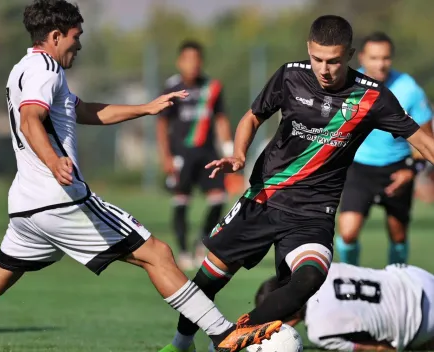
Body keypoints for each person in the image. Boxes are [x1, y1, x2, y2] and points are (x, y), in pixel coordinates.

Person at [0, 2, 283, 352]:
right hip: (60, 200)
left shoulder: (24, 68)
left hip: (27, 206)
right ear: (55, 36)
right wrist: (55, 162)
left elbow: (83, 110)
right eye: (76, 37)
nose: (79, 45)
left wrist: (146, 108)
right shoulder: (47, 69)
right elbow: (30, 120)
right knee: (157, 253)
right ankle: (224, 335)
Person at [159, 14, 434, 352]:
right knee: (209, 278)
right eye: (317, 58)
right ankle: (180, 343)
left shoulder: (372, 97)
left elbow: (423, 141)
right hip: (263, 198)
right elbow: (252, 117)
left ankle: (233, 340)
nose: (324, 68)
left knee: (310, 277)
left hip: (313, 213)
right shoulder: (291, 75)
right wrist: (240, 154)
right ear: (308, 49)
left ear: (349, 55)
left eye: (333, 61)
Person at [337, 32, 433, 266]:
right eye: (374, 57)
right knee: (348, 233)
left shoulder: (409, 89)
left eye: (386, 58)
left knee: (398, 235)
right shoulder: (347, 84)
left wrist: (410, 171)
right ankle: (352, 280)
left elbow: (426, 140)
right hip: (359, 169)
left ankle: (397, 284)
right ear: (362, 57)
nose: (380, 64)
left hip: (398, 169)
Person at [157, 40, 234, 270]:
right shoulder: (173, 87)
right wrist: (166, 156)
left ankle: (202, 241)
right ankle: (182, 251)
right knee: (181, 201)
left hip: (208, 153)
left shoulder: (212, 87)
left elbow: (220, 118)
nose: (193, 64)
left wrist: (228, 148)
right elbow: (162, 124)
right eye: (188, 59)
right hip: (181, 154)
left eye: (197, 59)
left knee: (219, 198)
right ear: (180, 62)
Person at [255, 263, 434, 351]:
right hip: (417, 278)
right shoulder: (321, 271)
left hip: (422, 324)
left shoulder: (319, 332)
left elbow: (381, 349)